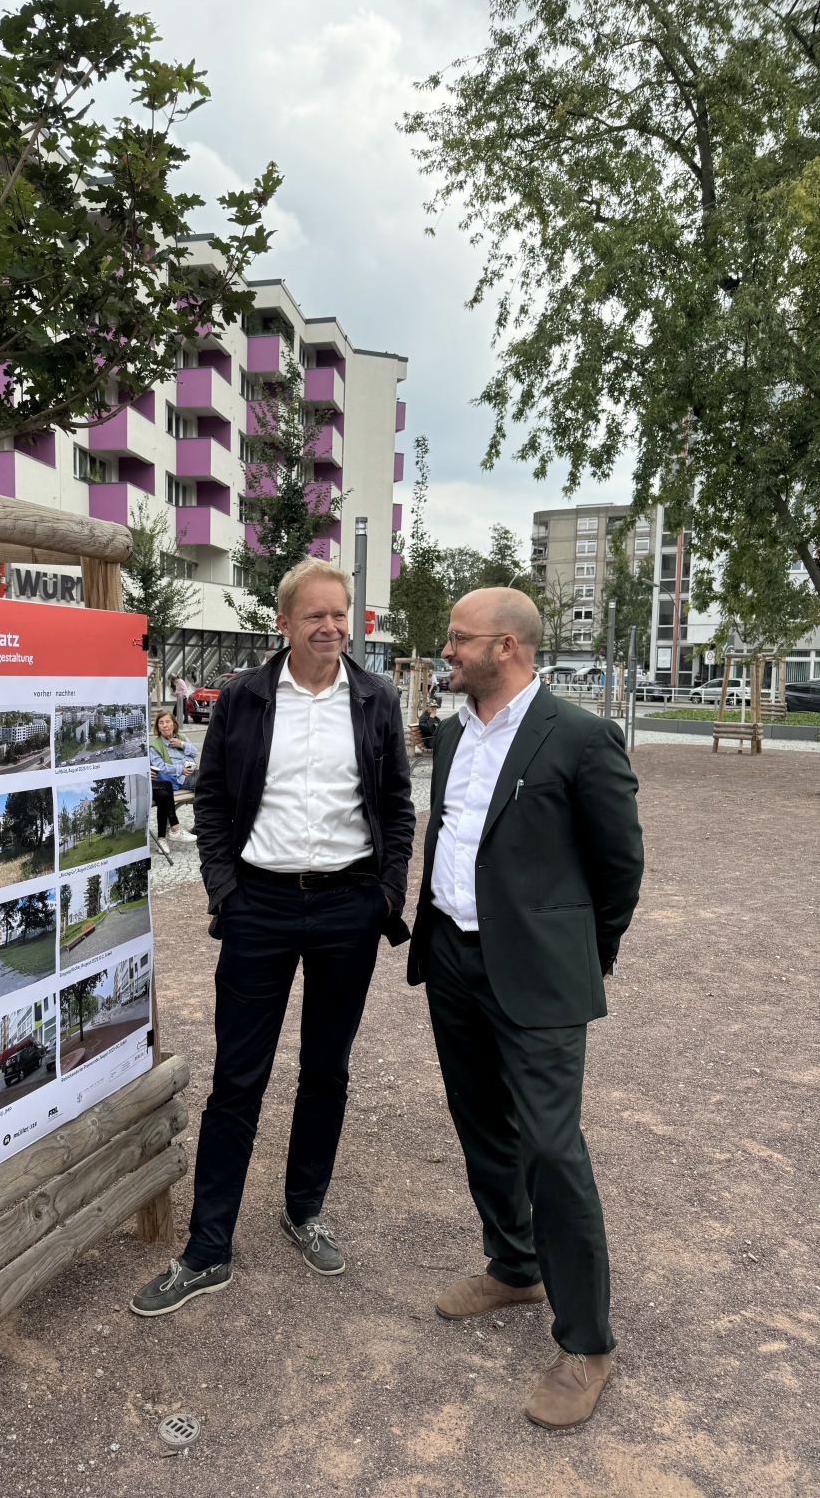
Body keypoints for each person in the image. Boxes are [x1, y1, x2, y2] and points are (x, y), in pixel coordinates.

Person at [130, 557, 415, 1317]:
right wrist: (224, 890)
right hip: (258, 906)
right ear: (282, 623)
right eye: (314, 615)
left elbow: (395, 805)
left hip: (347, 908)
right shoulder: (245, 698)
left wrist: (386, 894)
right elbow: (212, 799)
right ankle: (207, 1248)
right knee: (239, 1079)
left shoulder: (375, 696)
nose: (330, 627)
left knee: (326, 1070)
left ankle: (303, 1208)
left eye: (340, 613)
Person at [407, 587, 643, 1431]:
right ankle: (512, 1264)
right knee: (480, 1124)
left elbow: (618, 869)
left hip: (537, 976)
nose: (446, 649)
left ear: (505, 647)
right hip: (453, 960)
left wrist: (581, 953)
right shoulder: (451, 728)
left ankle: (585, 1343)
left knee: (550, 1146)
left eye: (458, 639)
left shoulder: (579, 738)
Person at [150, 710, 197, 847]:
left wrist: (181, 744)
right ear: (158, 727)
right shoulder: (156, 746)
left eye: (168, 722)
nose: (165, 725)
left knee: (213, 781)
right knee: (206, 786)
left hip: (194, 773)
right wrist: (180, 770)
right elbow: (160, 766)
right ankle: (201, 827)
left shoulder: (181, 737)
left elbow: (195, 752)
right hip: (179, 779)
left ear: (174, 724)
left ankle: (202, 826)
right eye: (161, 723)